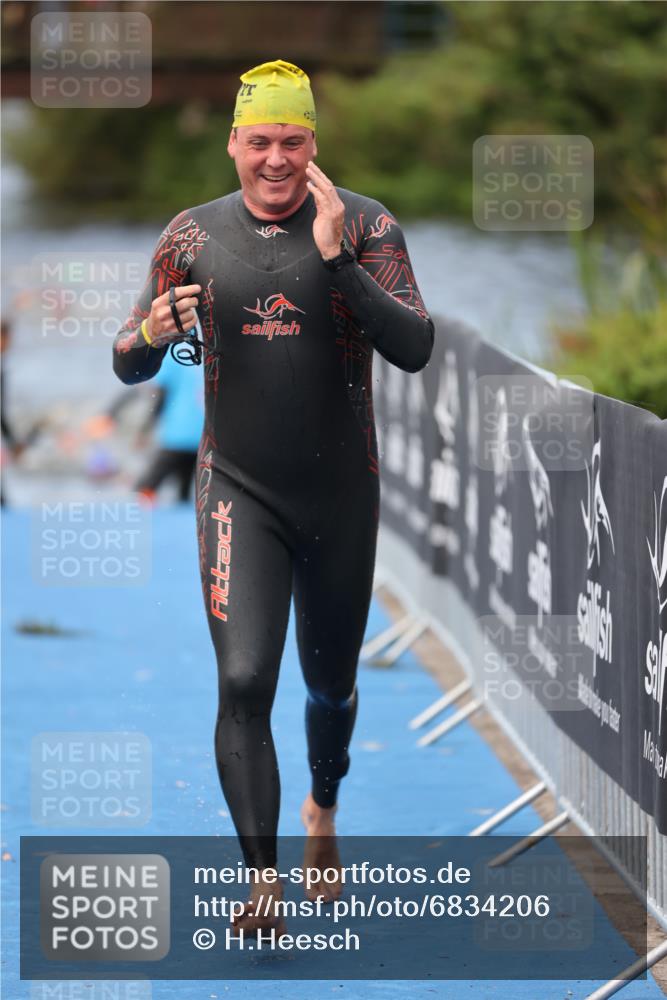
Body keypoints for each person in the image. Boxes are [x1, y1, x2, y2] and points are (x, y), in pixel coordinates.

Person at [112, 59, 434, 937]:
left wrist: (336, 260)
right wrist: (149, 332)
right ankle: (261, 881)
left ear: (314, 144)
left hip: (340, 494)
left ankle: (321, 810)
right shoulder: (190, 236)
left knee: (328, 686)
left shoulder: (364, 225)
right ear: (233, 144)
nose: (277, 159)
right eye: (260, 141)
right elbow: (126, 359)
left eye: (292, 140)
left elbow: (413, 346)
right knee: (245, 678)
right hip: (236, 489)